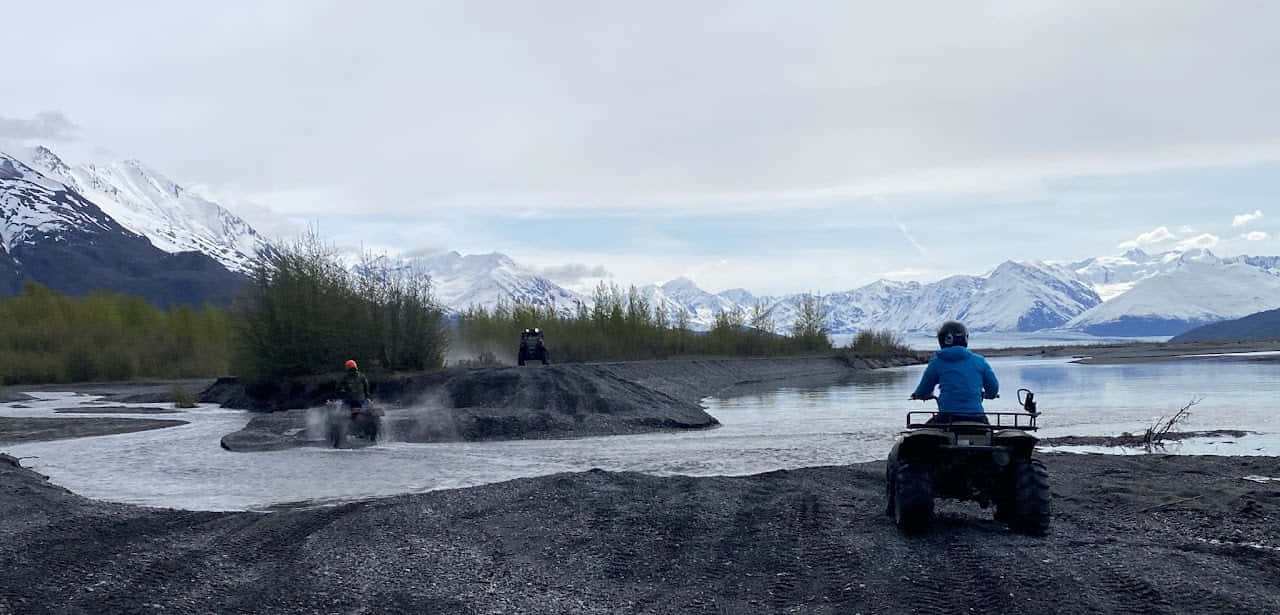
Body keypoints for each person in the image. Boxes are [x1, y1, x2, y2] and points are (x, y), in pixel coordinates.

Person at [909, 321, 999, 423]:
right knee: (989, 434)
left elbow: (924, 390)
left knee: (924, 432)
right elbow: (993, 389)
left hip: (947, 418)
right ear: (965, 338)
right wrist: (988, 395)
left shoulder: (937, 362)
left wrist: (919, 395)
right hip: (977, 418)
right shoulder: (980, 361)